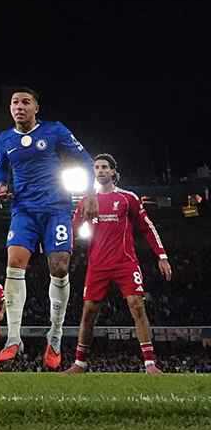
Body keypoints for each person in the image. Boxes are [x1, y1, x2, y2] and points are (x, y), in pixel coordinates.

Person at [0, 88, 96, 369]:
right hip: (23, 210)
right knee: (14, 263)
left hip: (56, 208)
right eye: (15, 102)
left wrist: (89, 194)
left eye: (26, 102)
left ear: (36, 108)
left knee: (60, 267)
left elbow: (85, 160)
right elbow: (0, 169)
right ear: (10, 108)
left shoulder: (54, 131)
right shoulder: (4, 139)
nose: (19, 107)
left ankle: (56, 335)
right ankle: (13, 337)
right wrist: (2, 186)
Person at [64, 154, 172, 375]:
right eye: (97, 167)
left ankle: (150, 364)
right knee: (88, 312)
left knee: (137, 305)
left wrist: (161, 256)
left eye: (105, 167)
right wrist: (63, 253)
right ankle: (80, 363)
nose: (101, 170)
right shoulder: (87, 200)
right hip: (98, 265)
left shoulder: (127, 198)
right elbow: (72, 230)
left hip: (125, 262)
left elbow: (147, 228)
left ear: (113, 171)